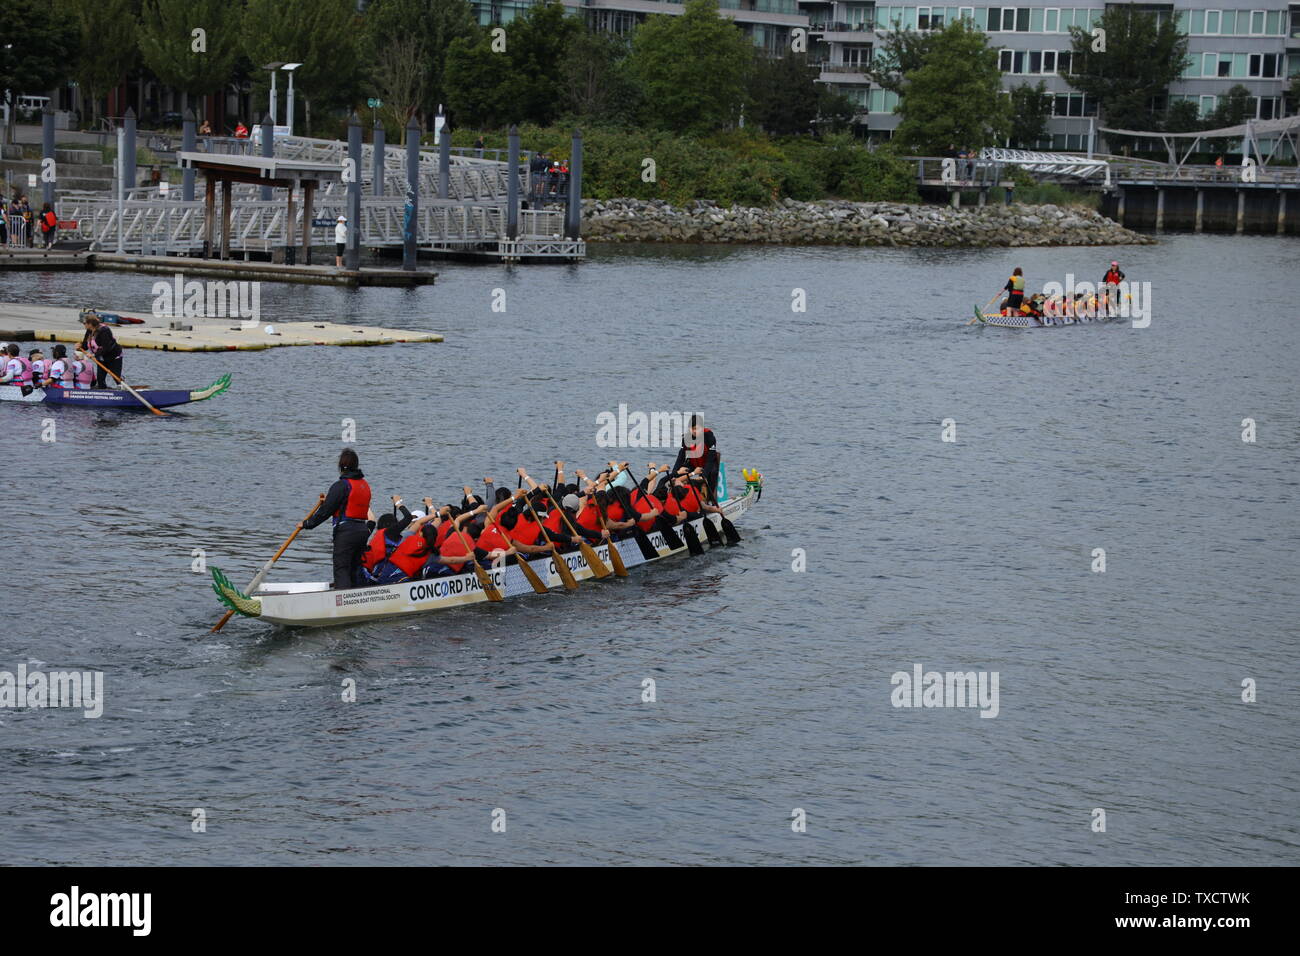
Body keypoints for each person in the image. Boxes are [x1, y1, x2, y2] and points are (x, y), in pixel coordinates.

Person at [299, 448, 372, 590]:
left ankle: (343, 602)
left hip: (346, 532)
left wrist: (307, 524)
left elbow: (326, 511)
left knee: (342, 568)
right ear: (356, 465)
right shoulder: (364, 485)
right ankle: (358, 597)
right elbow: (346, 503)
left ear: (340, 466)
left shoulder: (341, 486)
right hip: (362, 531)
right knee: (355, 568)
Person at [672, 415, 720, 503]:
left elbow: (711, 458)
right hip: (694, 463)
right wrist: (674, 473)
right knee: (679, 473)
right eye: (692, 428)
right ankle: (679, 499)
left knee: (712, 473)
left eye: (696, 428)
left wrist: (704, 475)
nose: (694, 431)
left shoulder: (709, 436)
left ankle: (710, 500)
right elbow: (681, 457)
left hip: (708, 463)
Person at [79, 313, 122, 388]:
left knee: (116, 378)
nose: (83, 325)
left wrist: (94, 355)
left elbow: (107, 348)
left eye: (84, 323)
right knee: (100, 379)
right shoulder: (89, 331)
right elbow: (85, 346)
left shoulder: (104, 331)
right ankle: (103, 393)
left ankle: (122, 387)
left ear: (90, 324)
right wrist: (79, 346)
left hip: (114, 357)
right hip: (101, 358)